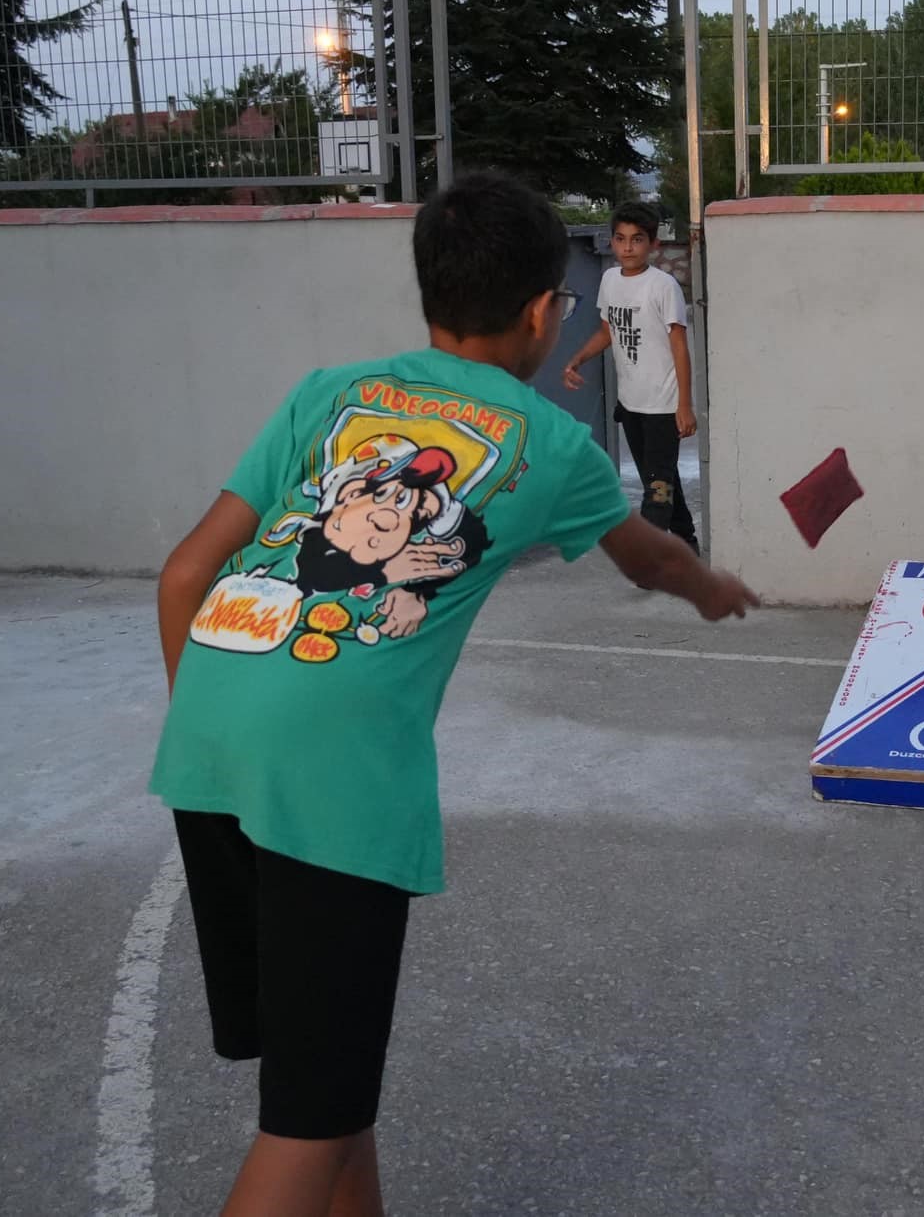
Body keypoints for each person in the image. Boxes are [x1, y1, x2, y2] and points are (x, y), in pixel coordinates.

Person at [150, 171, 759, 1217]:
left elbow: (181, 576)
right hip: (331, 772)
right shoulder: (550, 441)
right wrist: (712, 588)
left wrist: (221, 733)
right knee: (302, 1130)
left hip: (207, 735)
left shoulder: (328, 391)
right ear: (540, 314)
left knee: (325, 1082)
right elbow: (650, 557)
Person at [562, 202, 700, 553]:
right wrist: (578, 358)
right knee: (660, 478)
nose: (628, 247)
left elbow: (679, 347)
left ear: (653, 244)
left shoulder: (663, 286)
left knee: (657, 489)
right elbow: (607, 331)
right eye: (621, 239)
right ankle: (687, 543)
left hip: (663, 404)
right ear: (611, 242)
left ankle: (650, 559)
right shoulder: (610, 280)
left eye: (637, 239)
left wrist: (684, 405)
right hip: (631, 402)